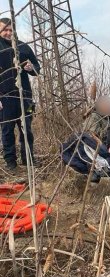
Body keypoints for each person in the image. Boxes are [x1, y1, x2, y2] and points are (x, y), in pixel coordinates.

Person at [0, 18, 40, 170]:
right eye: (5, 30)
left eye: (11, 30)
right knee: (7, 130)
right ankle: (11, 162)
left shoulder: (23, 47)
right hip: (5, 96)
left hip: (24, 96)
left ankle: (28, 159)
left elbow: (37, 68)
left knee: (26, 129)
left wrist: (31, 68)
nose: (8, 33)